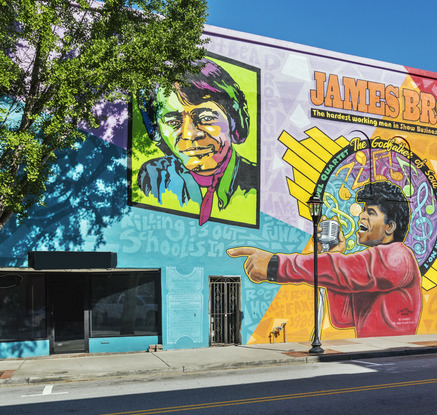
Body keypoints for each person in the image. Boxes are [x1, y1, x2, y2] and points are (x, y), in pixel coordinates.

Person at [227, 181, 422, 338]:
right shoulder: (376, 267)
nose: (361, 216)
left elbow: (341, 270)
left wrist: (275, 265)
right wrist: (332, 255)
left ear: (390, 227)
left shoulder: (398, 256)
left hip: (391, 358)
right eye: (363, 210)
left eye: (371, 213)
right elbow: (343, 317)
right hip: (377, 355)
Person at [136, 58, 257, 225]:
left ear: (234, 121)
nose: (189, 134)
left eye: (206, 118)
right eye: (173, 122)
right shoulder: (153, 176)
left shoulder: (255, 185)